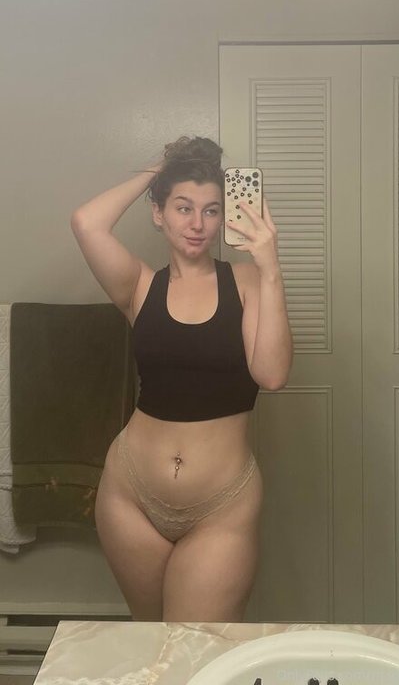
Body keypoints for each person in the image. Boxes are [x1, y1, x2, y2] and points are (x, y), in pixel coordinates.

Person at [71, 135, 292, 621]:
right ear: (159, 213)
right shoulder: (139, 286)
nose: (197, 224)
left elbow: (272, 374)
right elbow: (86, 222)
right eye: (183, 207)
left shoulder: (246, 281)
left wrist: (270, 267)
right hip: (129, 495)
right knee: (152, 642)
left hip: (221, 505)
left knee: (198, 651)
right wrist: (162, 167)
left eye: (211, 211)